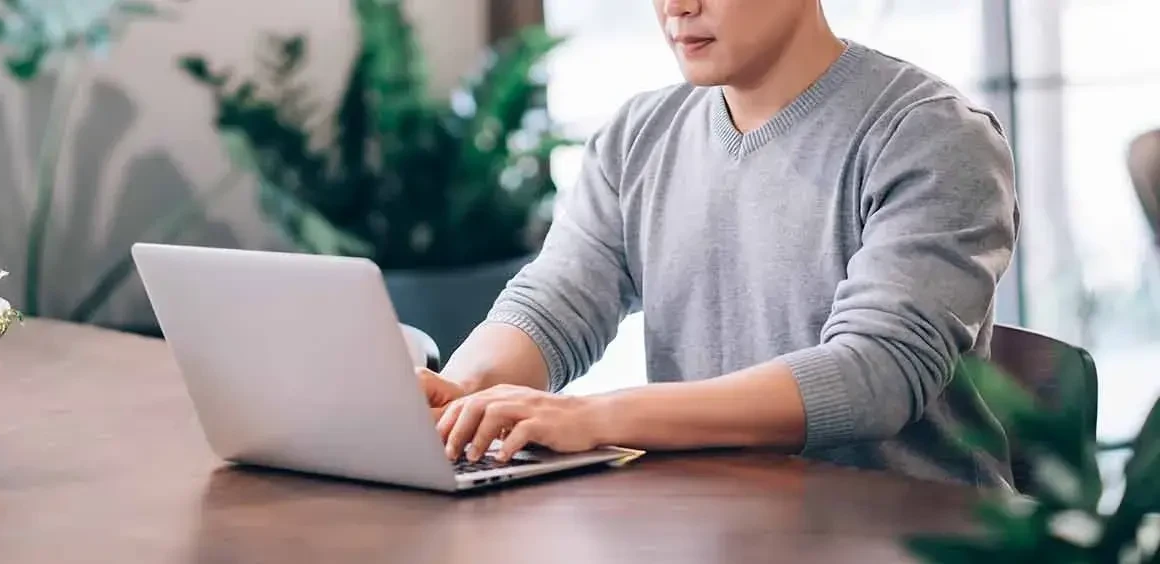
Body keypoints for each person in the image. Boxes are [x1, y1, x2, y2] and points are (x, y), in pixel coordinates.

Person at [418, 0, 1020, 488]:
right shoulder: (639, 137)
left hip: (910, 532)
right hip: (722, 523)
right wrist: (462, 396)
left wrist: (597, 417)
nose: (676, 7)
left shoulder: (932, 135)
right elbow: (557, 300)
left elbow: (877, 376)